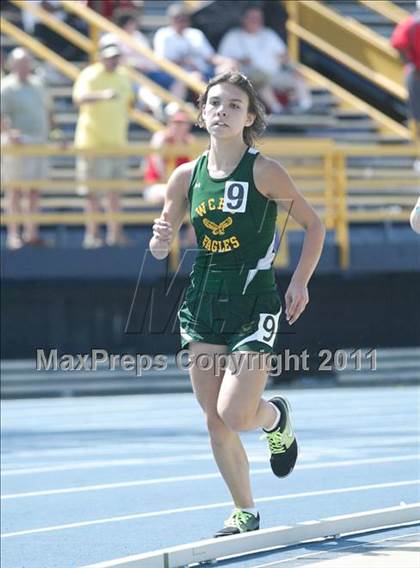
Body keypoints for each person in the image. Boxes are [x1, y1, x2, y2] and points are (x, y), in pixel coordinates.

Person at [149, 72, 325, 536]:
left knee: (235, 413)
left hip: (254, 299)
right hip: (203, 301)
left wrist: (300, 282)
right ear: (202, 113)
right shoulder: (185, 176)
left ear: (249, 117)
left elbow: (314, 225)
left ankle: (274, 417)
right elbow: (160, 241)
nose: (221, 111)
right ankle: (244, 510)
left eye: (233, 105)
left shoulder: (264, 170)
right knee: (214, 419)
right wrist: (159, 240)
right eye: (214, 104)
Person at [73, 43, 135, 248]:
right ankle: (92, 236)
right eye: (110, 56)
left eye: (116, 56)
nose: (114, 60)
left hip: (117, 143)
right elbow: (78, 98)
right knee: (93, 194)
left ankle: (114, 235)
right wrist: (102, 95)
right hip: (93, 144)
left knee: (115, 193)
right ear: (100, 57)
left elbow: (130, 101)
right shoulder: (90, 74)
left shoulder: (123, 76)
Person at [1, 48, 53, 249]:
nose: (24, 66)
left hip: (37, 144)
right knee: (14, 191)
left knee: (33, 191)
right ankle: (14, 235)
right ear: (12, 65)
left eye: (27, 62)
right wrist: (9, 133)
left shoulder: (38, 85)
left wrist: (56, 134)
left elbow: (48, 111)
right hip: (17, 146)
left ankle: (31, 233)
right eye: (21, 62)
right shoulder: (6, 87)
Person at [218, 5, 312, 114]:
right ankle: (278, 110)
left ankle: (306, 107)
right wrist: (240, 61)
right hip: (250, 76)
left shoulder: (269, 34)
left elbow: (283, 55)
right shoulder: (233, 36)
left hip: (274, 75)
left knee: (297, 77)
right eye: (252, 18)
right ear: (243, 19)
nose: (256, 21)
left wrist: (292, 67)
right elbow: (222, 59)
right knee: (260, 80)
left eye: (258, 18)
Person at [153, 3, 233, 100]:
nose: (181, 22)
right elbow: (162, 62)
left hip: (202, 71)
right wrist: (185, 62)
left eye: (184, 18)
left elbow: (210, 57)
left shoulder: (195, 34)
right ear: (171, 20)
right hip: (177, 74)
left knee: (228, 68)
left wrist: (226, 62)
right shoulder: (163, 35)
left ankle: (229, 102)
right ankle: (179, 110)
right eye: (177, 18)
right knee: (194, 78)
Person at [143, 106, 195, 204]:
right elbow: (158, 165)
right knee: (172, 193)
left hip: (178, 187)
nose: (178, 126)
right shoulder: (161, 138)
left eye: (182, 123)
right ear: (169, 123)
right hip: (156, 185)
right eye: (176, 122)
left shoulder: (189, 142)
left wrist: (180, 142)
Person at [391, 3, 420, 140]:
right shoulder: (412, 23)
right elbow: (398, 43)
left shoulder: (411, 22)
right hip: (416, 73)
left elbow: (397, 43)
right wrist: (411, 62)